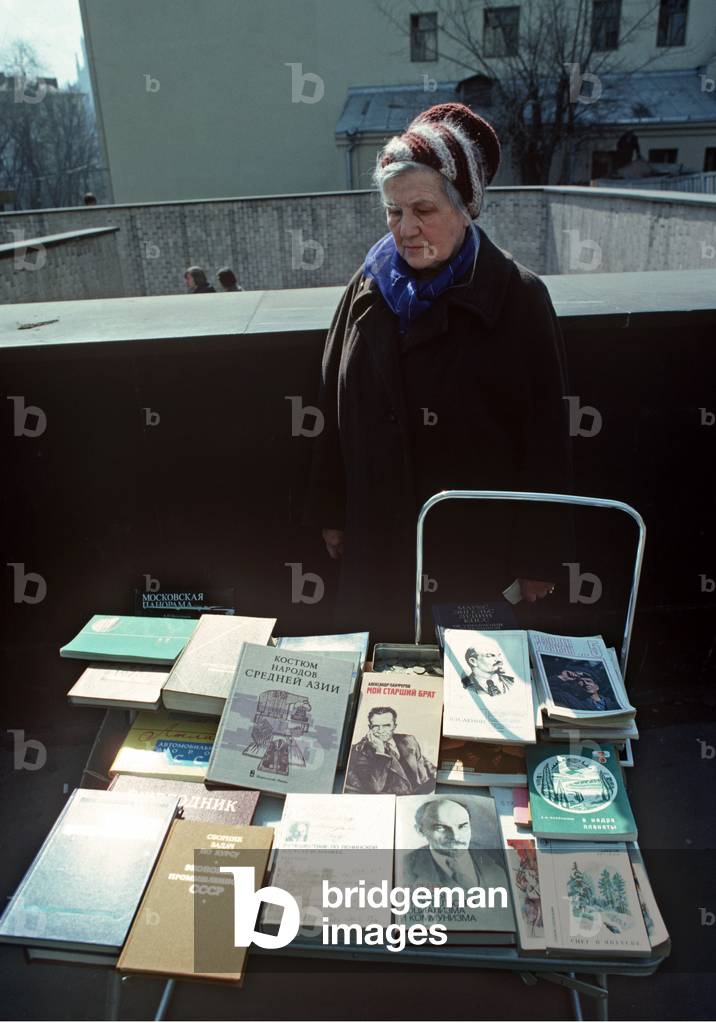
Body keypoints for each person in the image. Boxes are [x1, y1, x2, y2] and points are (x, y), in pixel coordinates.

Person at [303, 102, 573, 642]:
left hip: (471, 549)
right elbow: (331, 399)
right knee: (380, 686)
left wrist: (538, 555)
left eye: (422, 209)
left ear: (465, 207)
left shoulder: (517, 298)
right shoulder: (367, 286)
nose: (406, 229)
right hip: (377, 540)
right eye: (393, 211)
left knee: (464, 696)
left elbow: (545, 435)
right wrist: (332, 508)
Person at [401, 797, 507, 891]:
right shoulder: (404, 867)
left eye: (462, 826)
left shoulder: (498, 856)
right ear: (420, 831)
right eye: (441, 828)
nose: (456, 836)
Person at [344, 705, 436, 795]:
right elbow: (375, 788)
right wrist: (380, 752)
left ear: (394, 726)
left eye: (386, 725)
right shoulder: (360, 750)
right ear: (370, 728)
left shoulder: (408, 740)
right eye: (376, 726)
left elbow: (424, 763)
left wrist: (435, 775)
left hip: (423, 793)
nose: (381, 730)